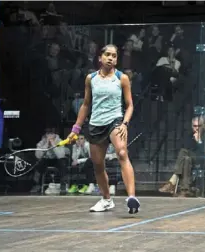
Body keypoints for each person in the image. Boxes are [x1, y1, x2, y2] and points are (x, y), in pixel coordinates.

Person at [67, 44, 140, 214]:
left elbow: (129, 106)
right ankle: (107, 200)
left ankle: (132, 198)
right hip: (95, 124)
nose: (111, 58)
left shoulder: (122, 78)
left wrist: (125, 123)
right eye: (107, 55)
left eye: (114, 56)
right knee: (98, 164)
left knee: (122, 152)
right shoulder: (90, 79)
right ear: (100, 57)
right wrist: (75, 129)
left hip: (115, 121)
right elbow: (86, 104)